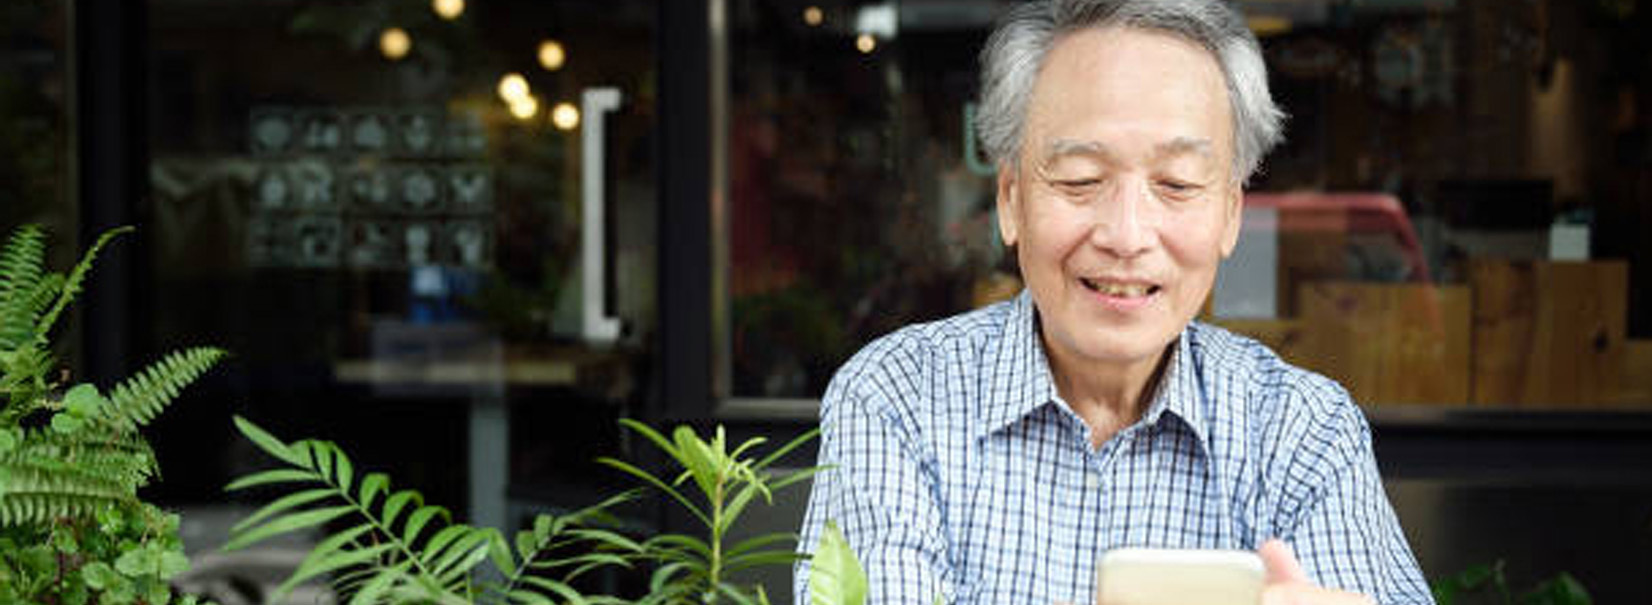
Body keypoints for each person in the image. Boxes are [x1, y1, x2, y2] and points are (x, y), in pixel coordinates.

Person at [793, 0, 1433, 603]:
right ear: (1010, 199)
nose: (1126, 235)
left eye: (1177, 183)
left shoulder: (1301, 431)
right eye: (1081, 180)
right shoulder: (900, 399)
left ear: (1232, 213)